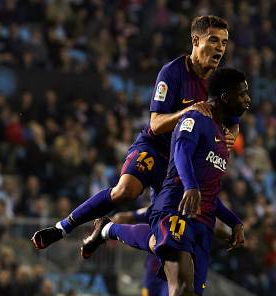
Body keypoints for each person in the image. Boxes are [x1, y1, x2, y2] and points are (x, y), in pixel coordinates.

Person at [83, 67, 249, 296]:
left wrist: (235, 221)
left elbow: (212, 192)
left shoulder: (222, 134)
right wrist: (188, 185)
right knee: (180, 287)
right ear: (225, 95)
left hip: (201, 222)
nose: (248, 99)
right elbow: (181, 153)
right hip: (175, 207)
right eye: (243, 92)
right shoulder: (196, 119)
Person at [31, 15, 239, 251]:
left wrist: (232, 133)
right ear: (195, 40)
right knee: (125, 190)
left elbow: (234, 119)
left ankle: (110, 229)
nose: (220, 48)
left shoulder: (221, 84)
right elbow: (156, 123)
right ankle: (62, 228)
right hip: (154, 147)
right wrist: (187, 112)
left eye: (223, 43)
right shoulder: (172, 72)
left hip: (180, 164)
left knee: (177, 229)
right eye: (213, 40)